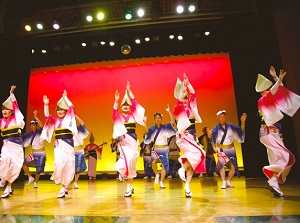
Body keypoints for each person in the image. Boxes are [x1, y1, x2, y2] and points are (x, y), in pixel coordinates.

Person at [256, 66, 299, 197]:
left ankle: (276, 185)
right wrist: (278, 80)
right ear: (264, 90)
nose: (270, 90)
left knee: (276, 160)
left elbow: (279, 91)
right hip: (269, 133)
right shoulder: (263, 100)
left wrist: (276, 78)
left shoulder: (268, 99)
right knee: (285, 157)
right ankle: (273, 180)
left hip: (271, 133)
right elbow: (274, 91)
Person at [173, 74, 206, 197]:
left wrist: (188, 83)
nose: (186, 99)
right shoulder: (178, 108)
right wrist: (182, 90)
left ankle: (187, 186)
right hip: (183, 137)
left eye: (187, 98)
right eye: (184, 98)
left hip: (190, 138)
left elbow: (194, 94)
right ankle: (182, 167)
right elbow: (180, 100)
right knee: (201, 153)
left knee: (192, 163)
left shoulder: (192, 108)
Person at [41, 90, 78, 198]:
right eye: (58, 110)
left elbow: (72, 107)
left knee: (68, 165)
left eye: (62, 109)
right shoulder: (55, 121)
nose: (60, 112)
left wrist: (66, 98)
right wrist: (46, 105)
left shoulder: (70, 119)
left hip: (69, 145)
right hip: (58, 146)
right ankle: (62, 187)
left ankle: (65, 186)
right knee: (59, 163)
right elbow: (47, 116)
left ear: (66, 111)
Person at [112, 81, 145, 197]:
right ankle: (122, 171)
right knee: (128, 158)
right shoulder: (119, 117)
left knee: (132, 162)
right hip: (123, 143)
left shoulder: (133, 116)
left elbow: (136, 104)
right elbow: (114, 113)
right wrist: (116, 101)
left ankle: (129, 185)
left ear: (131, 107)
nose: (126, 106)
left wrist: (130, 92)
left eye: (128, 105)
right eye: (123, 105)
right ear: (121, 107)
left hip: (133, 142)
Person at [207, 110, 247, 189]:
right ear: (217, 118)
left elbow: (240, 131)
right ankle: (223, 182)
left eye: (224, 116)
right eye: (220, 117)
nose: (222, 118)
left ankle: (228, 181)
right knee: (221, 166)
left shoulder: (231, 126)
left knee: (234, 167)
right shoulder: (215, 129)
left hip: (231, 149)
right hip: (221, 149)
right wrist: (209, 136)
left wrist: (243, 122)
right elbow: (212, 138)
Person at [0, 85, 25, 198]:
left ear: (11, 112)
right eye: (3, 109)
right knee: (4, 160)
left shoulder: (16, 119)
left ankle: (9, 186)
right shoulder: (1, 121)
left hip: (17, 146)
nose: (4, 111)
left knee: (16, 166)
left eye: (7, 109)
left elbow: (16, 107)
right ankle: (3, 178)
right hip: (6, 145)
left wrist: (11, 94)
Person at [143, 106, 176, 188]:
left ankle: (161, 182)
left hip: (164, 149)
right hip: (156, 149)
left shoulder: (165, 127)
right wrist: (145, 122)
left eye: (159, 118)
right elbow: (147, 132)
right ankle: (157, 174)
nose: (158, 119)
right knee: (153, 163)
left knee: (164, 166)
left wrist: (169, 111)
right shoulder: (151, 129)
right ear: (154, 120)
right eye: (156, 118)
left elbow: (173, 122)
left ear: (161, 119)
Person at [22, 110, 46, 188]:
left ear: (36, 125)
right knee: (23, 164)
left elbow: (41, 125)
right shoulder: (28, 134)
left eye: (33, 125)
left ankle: (36, 182)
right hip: (33, 153)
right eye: (31, 125)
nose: (32, 126)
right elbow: (21, 138)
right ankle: (30, 177)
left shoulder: (40, 132)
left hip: (41, 153)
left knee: (38, 169)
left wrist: (35, 116)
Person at [73, 115, 89, 189]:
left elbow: (83, 124)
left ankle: (75, 182)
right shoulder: (66, 129)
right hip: (69, 151)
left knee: (77, 168)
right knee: (69, 167)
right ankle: (65, 183)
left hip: (78, 151)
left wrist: (76, 117)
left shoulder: (79, 129)